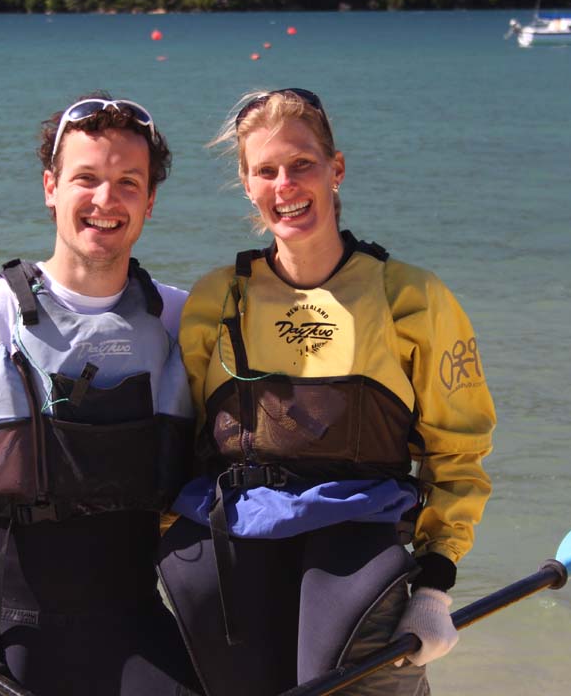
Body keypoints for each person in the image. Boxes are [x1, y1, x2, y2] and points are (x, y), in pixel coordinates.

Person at [156, 88, 497, 696]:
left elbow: (458, 456)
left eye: (302, 164)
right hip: (233, 534)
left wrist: (436, 585)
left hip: (358, 535)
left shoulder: (409, 298)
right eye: (266, 170)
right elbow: (181, 440)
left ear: (336, 170)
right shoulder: (219, 298)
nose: (285, 184)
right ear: (247, 185)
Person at [0, 94, 201, 696]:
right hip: (6, 635)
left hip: (134, 624)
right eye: (87, 178)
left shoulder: (179, 319)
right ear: (51, 187)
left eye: (127, 182)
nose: (106, 201)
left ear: (151, 202)